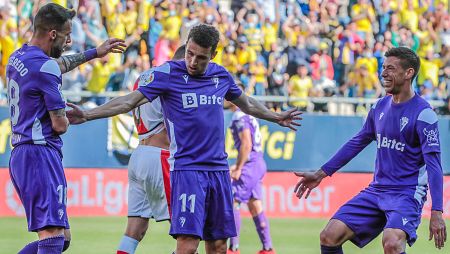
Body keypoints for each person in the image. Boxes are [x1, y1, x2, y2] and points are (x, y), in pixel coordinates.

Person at [66, 24, 302, 254]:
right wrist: (87, 114)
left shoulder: (221, 75)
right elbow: (128, 101)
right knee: (187, 246)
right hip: (187, 171)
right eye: (190, 53)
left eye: (201, 57)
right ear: (186, 46)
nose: (192, 62)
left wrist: (276, 116)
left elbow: (247, 103)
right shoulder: (168, 74)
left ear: (214, 55)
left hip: (218, 172)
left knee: (219, 247)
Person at [294, 47, 447, 254]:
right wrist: (321, 173)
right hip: (377, 190)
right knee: (329, 235)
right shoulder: (379, 107)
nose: (383, 73)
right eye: (383, 68)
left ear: (409, 73)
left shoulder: (424, 114)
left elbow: (434, 166)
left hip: (407, 192)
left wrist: (437, 211)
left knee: (392, 242)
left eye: (390, 69)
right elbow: (356, 142)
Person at [6, 3, 125, 253]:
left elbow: (57, 65)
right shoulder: (46, 68)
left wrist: (95, 52)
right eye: (67, 35)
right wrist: (73, 116)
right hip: (40, 155)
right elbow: (60, 125)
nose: (69, 41)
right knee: (52, 238)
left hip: (21, 154)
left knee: (62, 238)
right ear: (52, 34)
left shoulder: (17, 57)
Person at [116, 45, 186, 254]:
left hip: (139, 155)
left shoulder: (145, 76)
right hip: (160, 155)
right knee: (187, 230)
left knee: (134, 231)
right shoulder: (173, 78)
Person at [227, 83, 275, 254]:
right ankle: (268, 248)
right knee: (255, 205)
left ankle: (233, 248)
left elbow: (246, 144)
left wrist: (239, 167)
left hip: (251, 162)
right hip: (258, 161)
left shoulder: (239, 116)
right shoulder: (249, 115)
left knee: (233, 201)